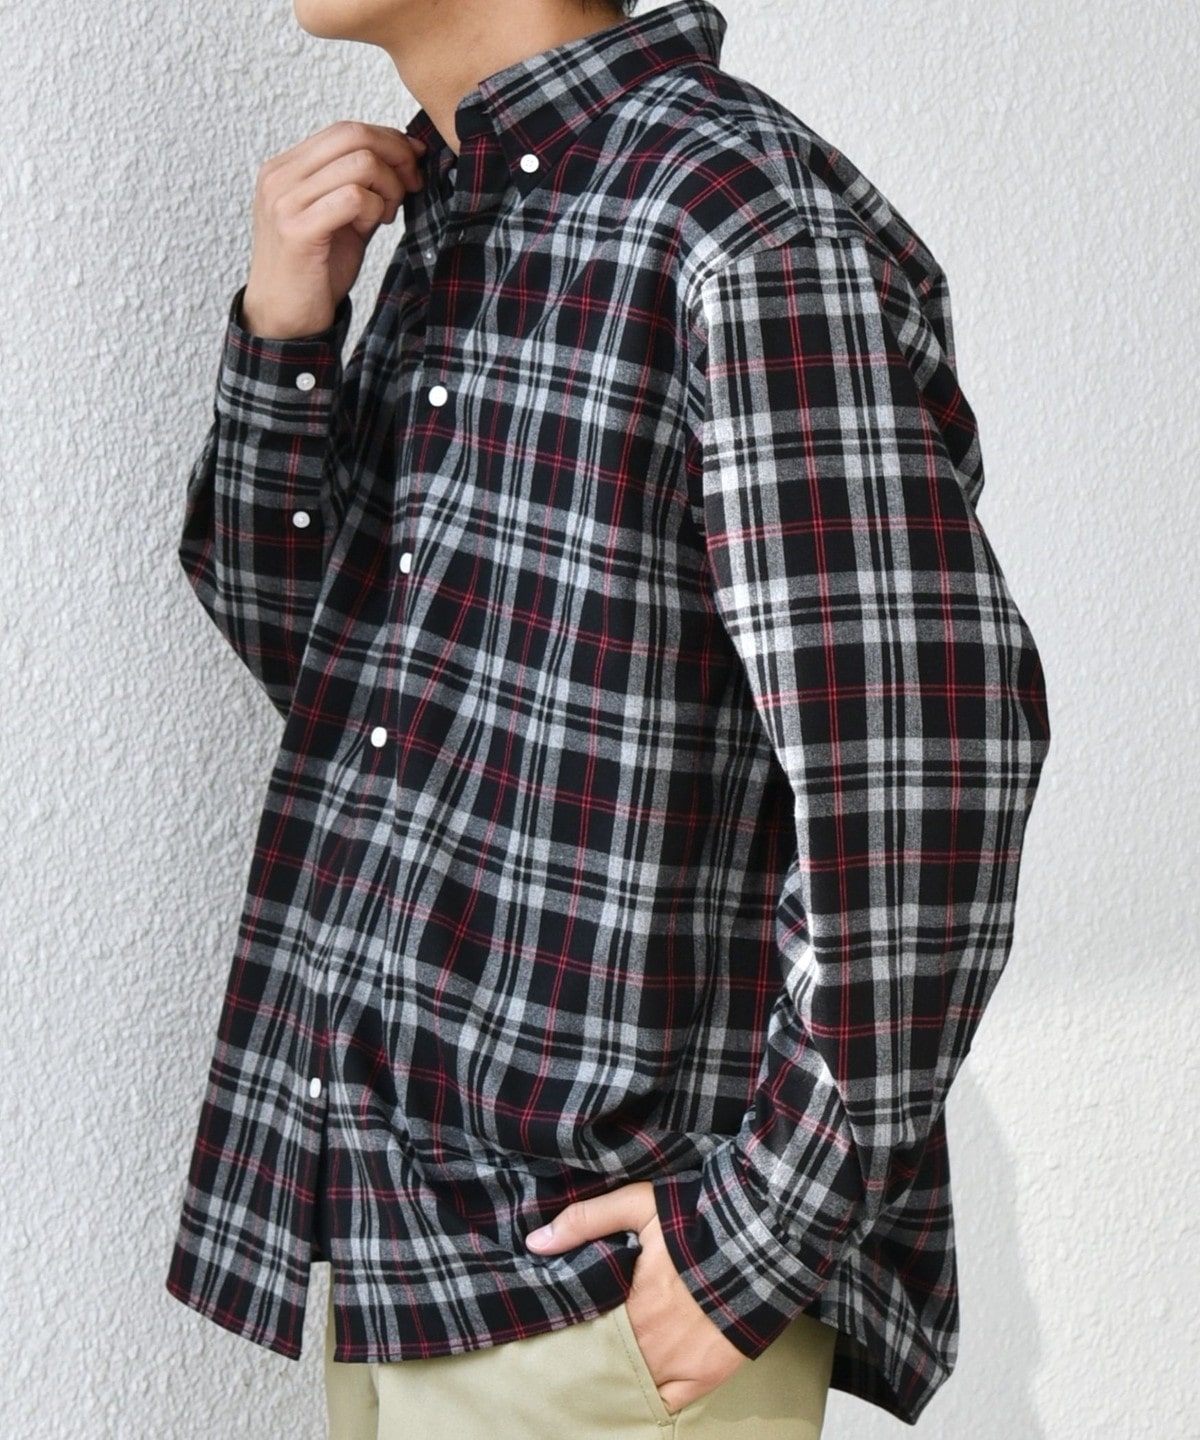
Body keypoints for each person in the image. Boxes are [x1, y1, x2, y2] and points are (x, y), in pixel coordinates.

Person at [165, 0, 1051, 1435]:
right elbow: (340, 683)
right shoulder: (468, 211)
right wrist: (287, 335)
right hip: (410, 1251)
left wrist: (750, 1241)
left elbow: (927, 763)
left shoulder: (729, 216)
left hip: (607, 1295)